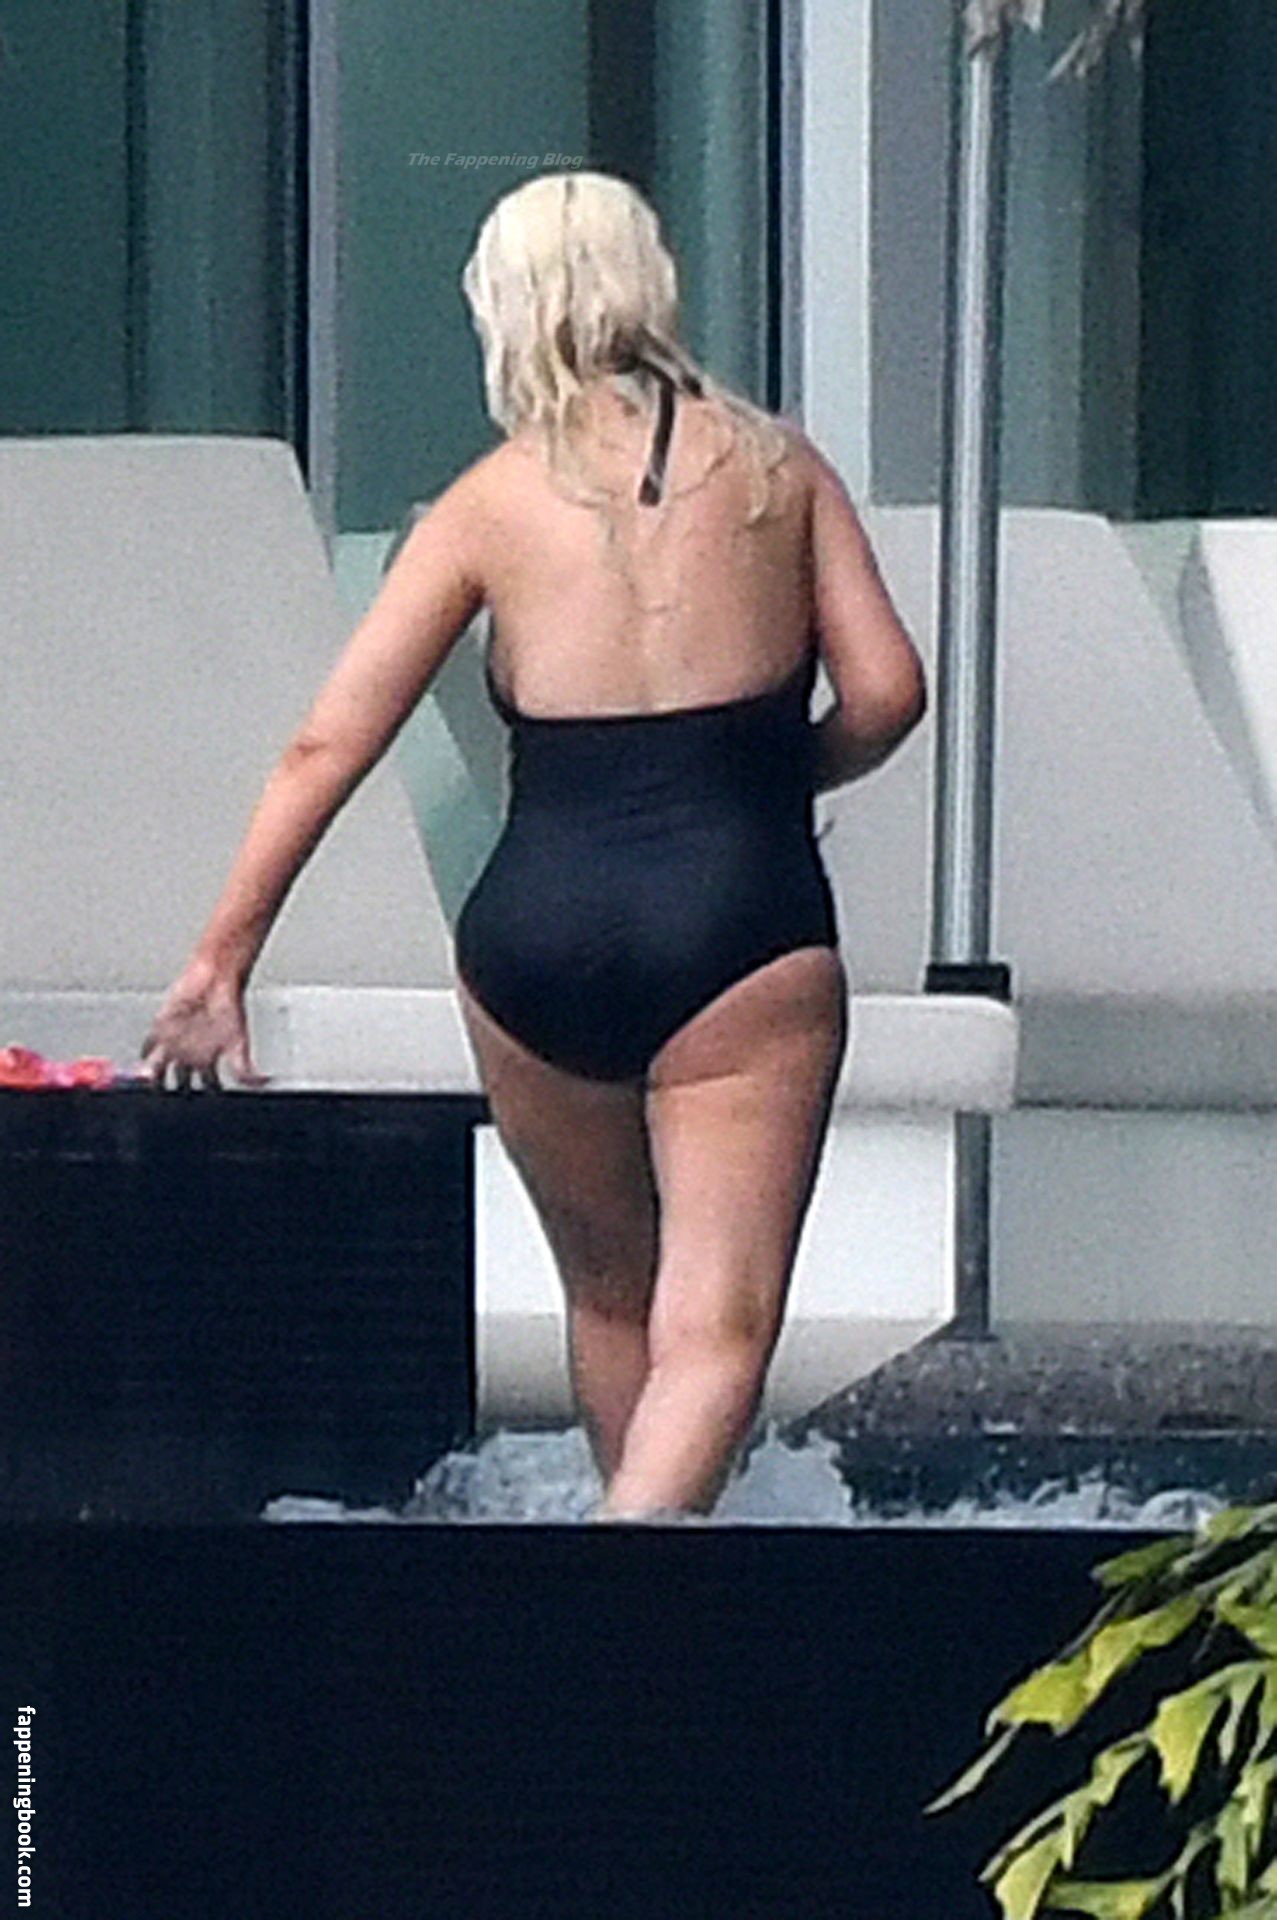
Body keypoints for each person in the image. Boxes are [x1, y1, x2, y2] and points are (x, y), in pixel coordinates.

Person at [140, 170, 926, 1523]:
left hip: (536, 934)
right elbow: (888, 691)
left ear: (505, 311)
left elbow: (329, 743)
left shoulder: (487, 505)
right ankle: (612, 1585)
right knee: (717, 1327)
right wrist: (771, 779)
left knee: (609, 1302)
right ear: (652, 284)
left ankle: (613, 1601)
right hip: (741, 917)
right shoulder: (778, 472)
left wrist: (222, 961)